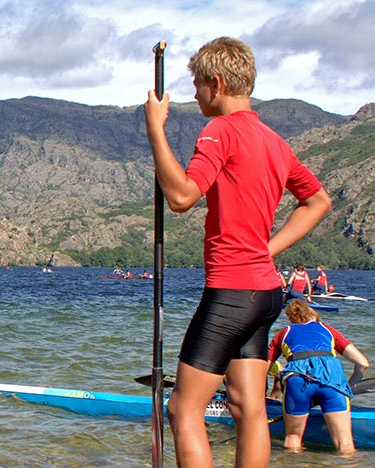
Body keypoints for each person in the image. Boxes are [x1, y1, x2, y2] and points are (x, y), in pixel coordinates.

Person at [144, 36, 331, 468]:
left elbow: (182, 196)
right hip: (266, 293)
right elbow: (318, 201)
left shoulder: (221, 131)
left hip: (231, 292)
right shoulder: (275, 141)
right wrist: (268, 249)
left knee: (183, 409)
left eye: (197, 84)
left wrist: (155, 128)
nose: (194, 94)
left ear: (216, 82)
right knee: (248, 407)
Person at [267, 300, 369, 453]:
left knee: (293, 439)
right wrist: (348, 388)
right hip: (332, 382)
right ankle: (347, 462)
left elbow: (264, 367)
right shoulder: (327, 329)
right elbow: (363, 363)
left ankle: (293, 461)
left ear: (291, 318)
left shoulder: (284, 332)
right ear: (313, 316)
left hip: (298, 381)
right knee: (345, 443)